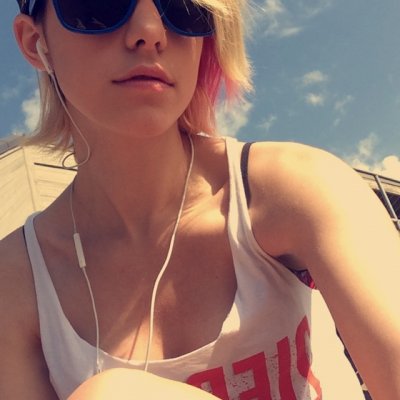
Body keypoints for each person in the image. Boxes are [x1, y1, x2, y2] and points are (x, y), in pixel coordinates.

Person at [1, 0, 399, 399]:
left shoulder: (297, 188)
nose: (149, 31)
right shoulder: (16, 281)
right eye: (102, 4)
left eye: (183, 7)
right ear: (36, 41)